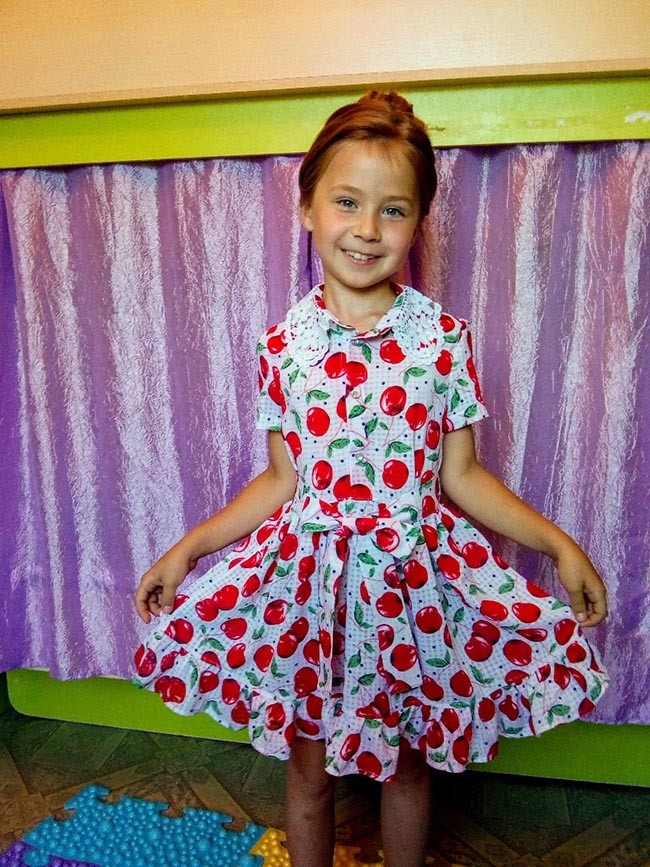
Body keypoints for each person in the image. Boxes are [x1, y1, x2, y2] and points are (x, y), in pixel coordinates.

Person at [134, 91, 609, 867]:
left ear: (419, 223)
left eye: (393, 210)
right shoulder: (282, 346)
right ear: (307, 208)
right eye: (347, 201)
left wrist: (560, 546)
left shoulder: (442, 340)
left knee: (408, 768)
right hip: (310, 596)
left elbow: (463, 475)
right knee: (308, 772)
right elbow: (282, 480)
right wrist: (188, 549)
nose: (366, 228)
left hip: (409, 594)